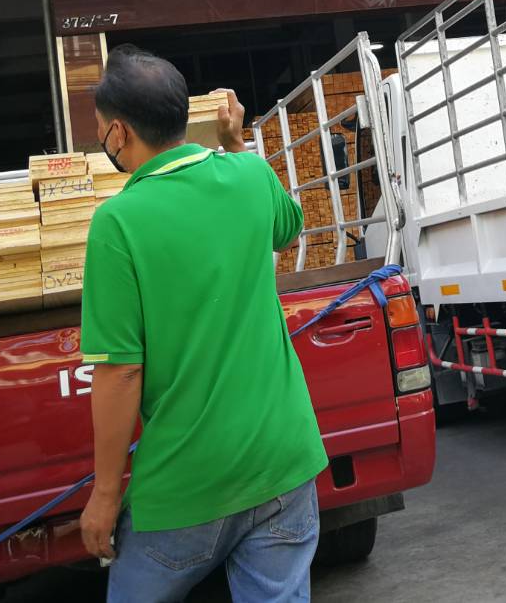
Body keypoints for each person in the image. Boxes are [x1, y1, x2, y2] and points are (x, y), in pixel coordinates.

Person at [77, 45, 327, 602]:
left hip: (188, 485)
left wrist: (105, 495)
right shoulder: (249, 174)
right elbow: (288, 227)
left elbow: (120, 372)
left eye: (99, 128)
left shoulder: (117, 222)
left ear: (118, 133)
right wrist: (237, 143)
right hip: (282, 461)